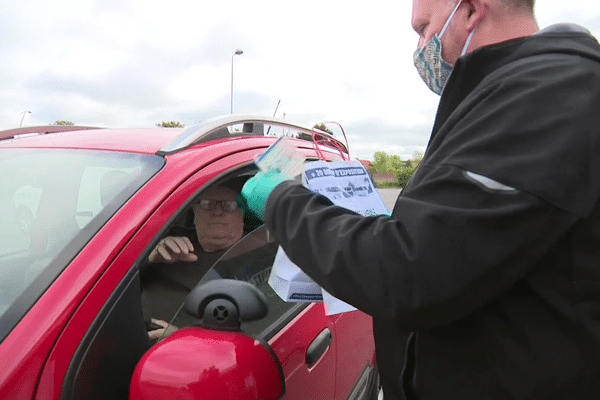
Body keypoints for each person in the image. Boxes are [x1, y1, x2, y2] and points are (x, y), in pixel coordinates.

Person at [241, 0, 600, 398]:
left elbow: (409, 270)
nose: (420, 48)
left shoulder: (547, 95)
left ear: (469, 11)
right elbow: (448, 239)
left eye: (423, 29)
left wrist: (281, 201)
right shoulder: (502, 97)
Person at [141, 181, 246, 343]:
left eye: (229, 205)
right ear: (194, 212)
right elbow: (117, 282)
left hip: (189, 355)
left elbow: (252, 334)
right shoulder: (168, 237)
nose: (218, 211)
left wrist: (184, 337)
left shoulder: (256, 254)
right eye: (207, 204)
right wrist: (149, 260)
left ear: (242, 215)